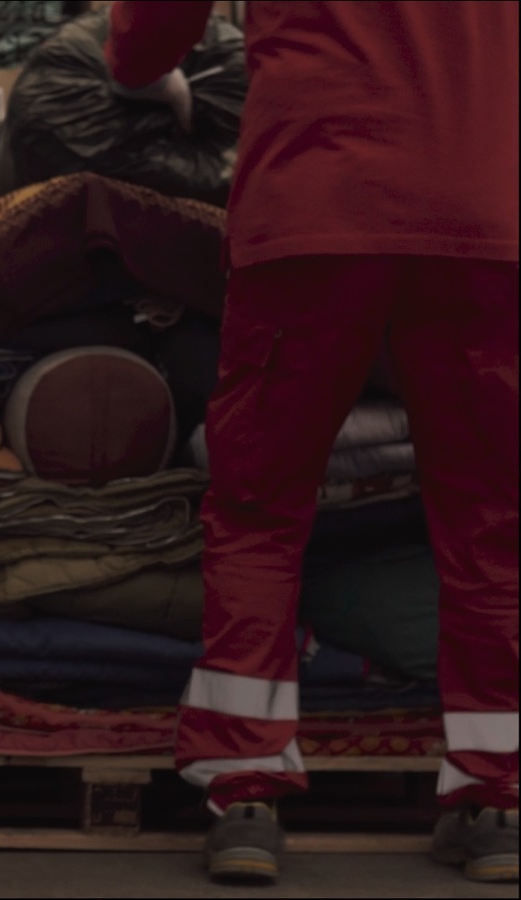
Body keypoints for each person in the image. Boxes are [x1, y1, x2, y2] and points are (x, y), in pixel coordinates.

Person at [104, 0, 519, 886]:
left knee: (260, 503)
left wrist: (138, 67)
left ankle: (244, 795)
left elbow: (149, 27)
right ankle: (498, 801)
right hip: (486, 214)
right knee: (490, 513)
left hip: (313, 206)